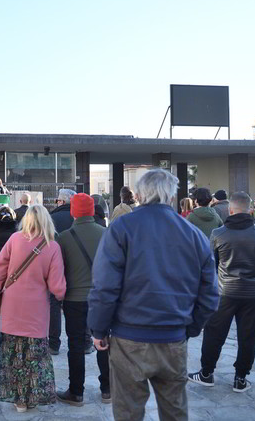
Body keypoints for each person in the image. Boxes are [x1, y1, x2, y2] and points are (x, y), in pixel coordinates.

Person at [88, 169, 219, 421]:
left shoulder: (120, 228)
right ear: (172, 195)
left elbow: (105, 286)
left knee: (128, 412)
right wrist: (190, 328)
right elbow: (210, 294)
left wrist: (98, 330)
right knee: (175, 412)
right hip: (173, 338)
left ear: (138, 194)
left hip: (129, 339)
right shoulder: (193, 234)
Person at [188, 192, 255, 394]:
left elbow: (210, 266)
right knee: (248, 337)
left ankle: (206, 373)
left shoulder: (218, 234)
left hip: (223, 292)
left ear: (230, 210)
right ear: (251, 209)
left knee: (214, 334)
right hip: (253, 293)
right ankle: (240, 378)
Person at [0, 205, 66, 413]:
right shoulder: (52, 246)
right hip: (36, 309)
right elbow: (57, 286)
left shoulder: (15, 239)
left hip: (12, 305)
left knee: (13, 353)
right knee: (34, 355)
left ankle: (19, 400)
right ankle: (32, 396)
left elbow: (0, 265)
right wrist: (62, 296)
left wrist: (0, 285)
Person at [55, 193, 110, 406]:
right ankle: (108, 389)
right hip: (102, 299)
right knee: (103, 342)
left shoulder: (64, 237)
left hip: (74, 299)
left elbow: (60, 270)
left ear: (73, 212)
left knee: (76, 345)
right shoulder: (106, 234)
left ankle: (76, 392)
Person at [48, 188, 76, 354]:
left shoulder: (52, 218)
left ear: (62, 202)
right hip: (77, 267)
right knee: (77, 304)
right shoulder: (77, 218)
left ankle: (53, 344)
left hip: (55, 267)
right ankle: (83, 341)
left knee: (54, 303)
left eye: (57, 200)